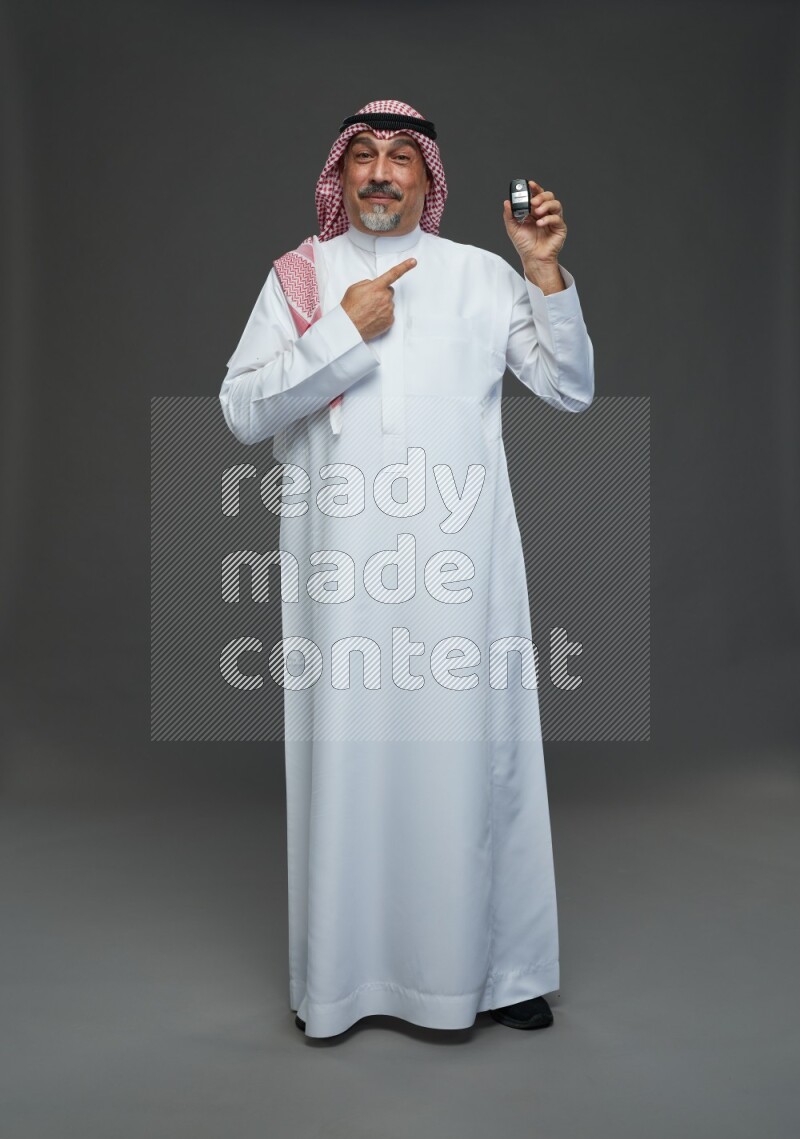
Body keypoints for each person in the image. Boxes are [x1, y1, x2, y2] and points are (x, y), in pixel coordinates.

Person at [219, 99, 594, 1039]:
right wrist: (341, 331)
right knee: (354, 763)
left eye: (401, 159)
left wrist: (543, 275)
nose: (381, 172)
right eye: (364, 157)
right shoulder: (299, 280)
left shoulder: (478, 277)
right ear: (339, 176)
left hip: (463, 576)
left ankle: (502, 970)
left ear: (429, 180)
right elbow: (242, 412)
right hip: (342, 583)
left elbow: (570, 386)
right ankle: (346, 984)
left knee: (476, 756)